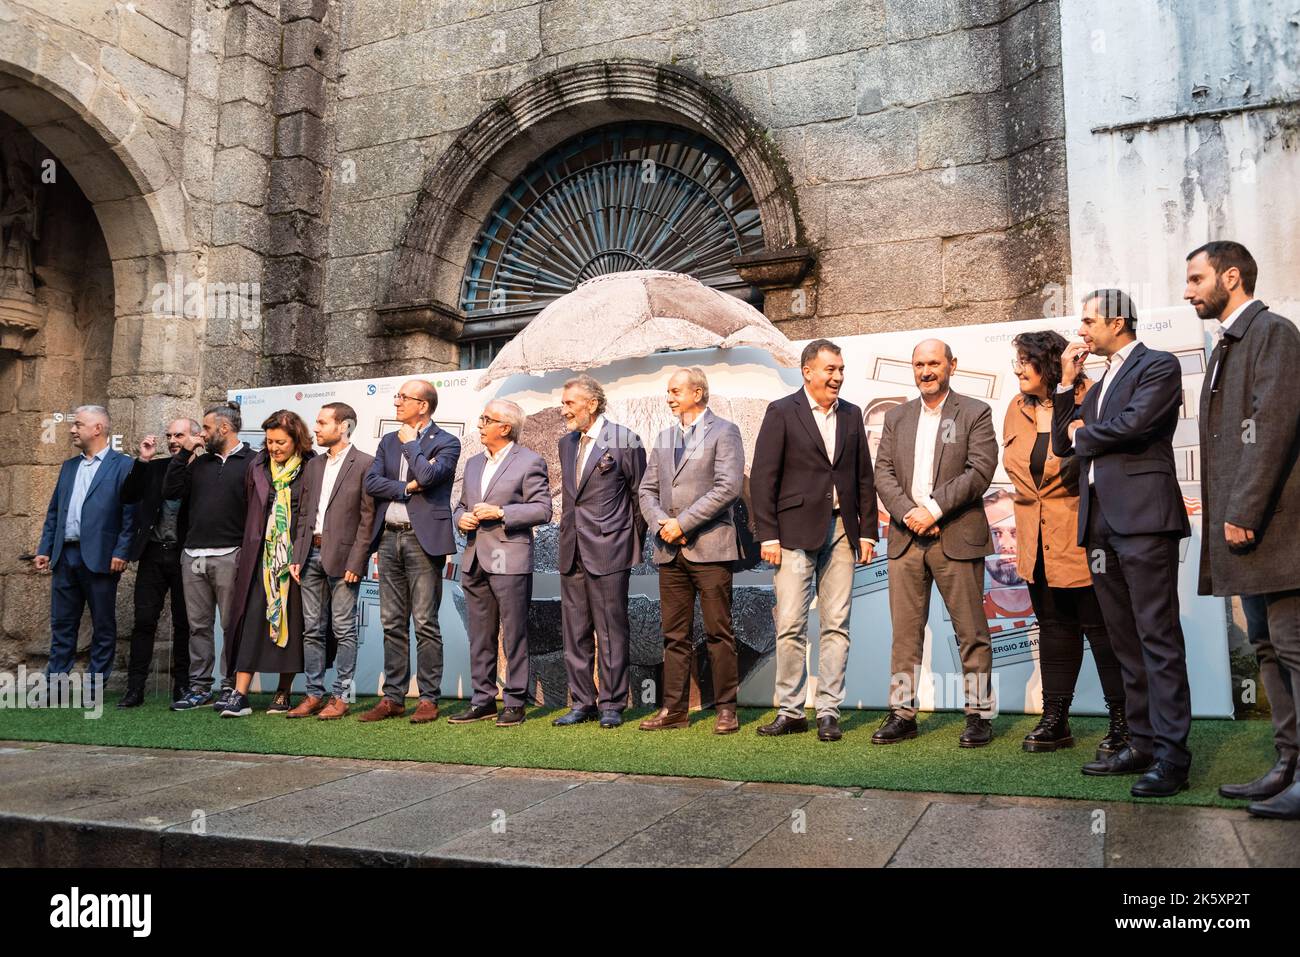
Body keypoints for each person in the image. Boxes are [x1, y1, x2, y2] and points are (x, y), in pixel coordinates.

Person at [1053, 289, 1192, 797]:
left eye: (1088, 320)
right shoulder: (1098, 379)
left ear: (1117, 320)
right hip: (1100, 526)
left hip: (1144, 520)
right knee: (1124, 641)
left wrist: (1082, 430)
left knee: (1158, 638)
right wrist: (1068, 387)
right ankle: (1142, 744)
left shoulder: (1158, 365)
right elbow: (1059, 443)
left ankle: (1174, 759)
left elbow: (1136, 425)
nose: (1081, 330)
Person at [1186, 241, 1300, 818]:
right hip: (1252, 539)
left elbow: (1272, 426)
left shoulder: (1272, 332)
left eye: (1196, 278)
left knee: (1294, 649)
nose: (1189, 291)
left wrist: (1244, 511)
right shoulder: (1228, 342)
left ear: (1231, 276)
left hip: (1275, 532)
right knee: (1268, 648)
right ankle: (1287, 767)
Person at [1003, 331, 1128, 754]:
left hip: (1082, 537)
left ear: (1050, 363)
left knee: (1103, 631)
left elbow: (1094, 467)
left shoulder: (1089, 399)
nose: (1017, 368)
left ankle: (1123, 722)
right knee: (1054, 629)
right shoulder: (1014, 408)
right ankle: (1056, 721)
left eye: (1025, 360)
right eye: (1016, 361)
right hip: (1035, 544)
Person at [872, 339, 998, 747]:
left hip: (956, 535)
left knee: (971, 632)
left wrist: (934, 509)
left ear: (951, 366)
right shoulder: (897, 416)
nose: (926, 371)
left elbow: (980, 471)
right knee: (905, 635)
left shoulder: (976, 412)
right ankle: (902, 713)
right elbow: (883, 472)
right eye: (919, 364)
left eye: (934, 364)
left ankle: (979, 715)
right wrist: (910, 512)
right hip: (906, 539)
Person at [751, 339, 877, 742]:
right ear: (807, 371)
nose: (838, 377)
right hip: (792, 534)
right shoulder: (781, 411)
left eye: (840, 369)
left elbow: (864, 477)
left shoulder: (853, 415)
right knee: (790, 624)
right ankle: (790, 711)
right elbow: (763, 478)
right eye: (830, 369)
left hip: (842, 532)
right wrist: (767, 534)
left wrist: (869, 530)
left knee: (837, 624)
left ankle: (828, 711)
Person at [637, 368, 745, 734]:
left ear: (697, 393)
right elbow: (646, 491)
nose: (669, 397)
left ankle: (727, 709)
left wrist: (682, 523)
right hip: (670, 552)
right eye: (668, 391)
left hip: (710, 548)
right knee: (674, 635)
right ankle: (675, 710)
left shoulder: (725, 431)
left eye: (675, 391)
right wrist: (662, 526)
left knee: (719, 633)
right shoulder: (664, 437)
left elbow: (728, 487)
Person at [359, 380, 460, 724]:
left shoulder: (447, 442)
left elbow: (429, 475)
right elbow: (372, 484)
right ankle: (394, 698)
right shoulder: (388, 440)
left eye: (404, 398)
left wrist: (412, 445)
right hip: (388, 538)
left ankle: (428, 698)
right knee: (391, 622)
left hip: (422, 539)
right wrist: (405, 488)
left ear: (424, 406)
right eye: (397, 396)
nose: (397, 402)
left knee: (425, 622)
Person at [552, 374, 646, 729]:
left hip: (609, 549)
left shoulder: (624, 439)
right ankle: (583, 702)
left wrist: (624, 540)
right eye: (564, 403)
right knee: (574, 630)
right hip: (571, 547)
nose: (564, 410)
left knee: (610, 630)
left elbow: (640, 496)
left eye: (569, 403)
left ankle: (612, 704)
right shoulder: (566, 443)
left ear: (592, 404)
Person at [449, 400, 551, 727]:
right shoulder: (474, 463)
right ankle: (483, 700)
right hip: (475, 558)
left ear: (504, 427)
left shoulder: (530, 461)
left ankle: (515, 702)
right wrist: (460, 518)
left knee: (514, 634)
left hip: (509, 558)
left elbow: (542, 509)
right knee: (480, 635)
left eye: (486, 419)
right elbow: (461, 506)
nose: (479, 424)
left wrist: (503, 513)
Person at [34, 405, 136, 700]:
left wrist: (122, 551)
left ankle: (94, 687)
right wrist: (45, 548)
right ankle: (54, 685)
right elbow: (55, 513)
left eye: (78, 424)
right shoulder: (68, 466)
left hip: (103, 558)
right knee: (62, 623)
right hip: (65, 556)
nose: (71, 429)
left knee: (103, 624)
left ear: (97, 429)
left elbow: (130, 515)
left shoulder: (123, 466)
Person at [220, 410, 316, 717]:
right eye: (269, 441)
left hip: (294, 558)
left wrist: (297, 554)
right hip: (260, 558)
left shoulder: (313, 466)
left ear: (296, 440)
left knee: (293, 621)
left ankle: (283, 692)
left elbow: (310, 516)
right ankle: (239, 693)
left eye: (280, 442)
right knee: (251, 621)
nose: (273, 447)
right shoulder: (258, 465)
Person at [287, 402, 376, 720]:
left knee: (344, 629)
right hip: (309, 554)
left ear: (344, 426)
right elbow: (303, 515)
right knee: (311, 629)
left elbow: (368, 520)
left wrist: (357, 560)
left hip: (344, 558)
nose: (316, 427)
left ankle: (341, 696)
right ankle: (313, 694)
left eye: (323, 422)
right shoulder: (313, 466)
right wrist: (297, 555)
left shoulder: (366, 463)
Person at [164, 402, 253, 711]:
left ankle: (231, 686)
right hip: (193, 555)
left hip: (231, 554)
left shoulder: (253, 461)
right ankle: (200, 687)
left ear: (224, 429)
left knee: (231, 625)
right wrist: (185, 452)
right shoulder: (197, 462)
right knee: (198, 626)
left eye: (206, 428)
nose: (201, 433)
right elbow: (170, 491)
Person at [119, 418, 200, 708]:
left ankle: (182, 687)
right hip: (152, 553)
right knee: (143, 622)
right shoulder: (155, 467)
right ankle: (134, 690)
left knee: (184, 624)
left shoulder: (203, 469)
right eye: (169, 435)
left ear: (196, 437)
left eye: (179, 434)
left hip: (184, 555)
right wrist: (142, 460)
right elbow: (127, 496)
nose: (173, 439)